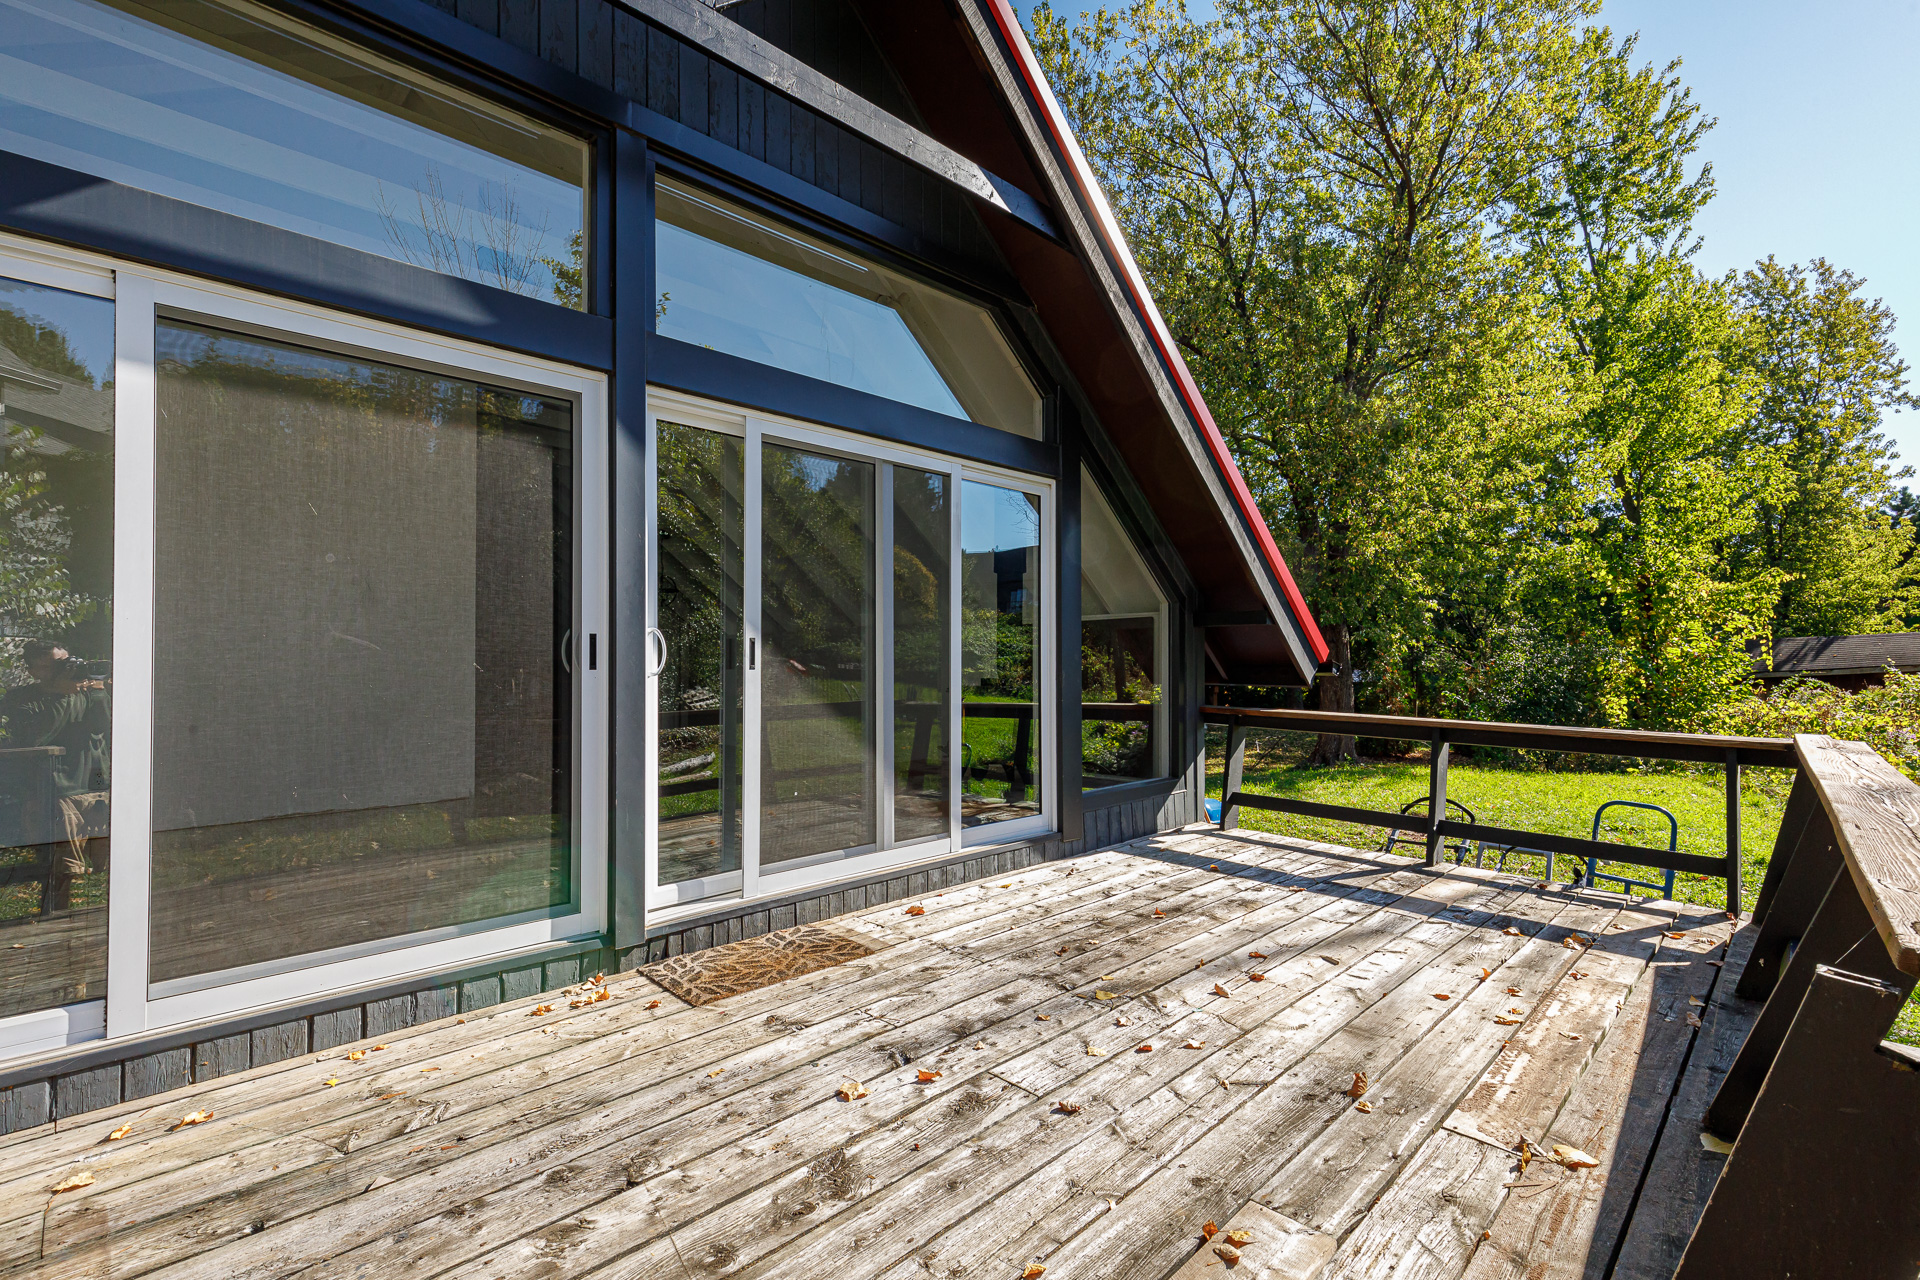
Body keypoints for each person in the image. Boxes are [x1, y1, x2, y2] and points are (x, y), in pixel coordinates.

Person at [3, 642, 110, 912]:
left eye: (67, 661)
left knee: (113, 868)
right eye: (55, 664)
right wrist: (60, 695)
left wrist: (98, 691)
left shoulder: (84, 691)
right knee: (63, 870)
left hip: (97, 786)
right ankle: (56, 926)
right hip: (57, 789)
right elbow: (35, 737)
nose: (66, 668)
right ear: (33, 671)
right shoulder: (20, 699)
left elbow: (103, 725)